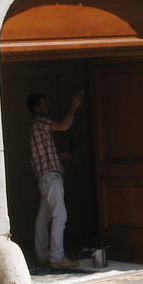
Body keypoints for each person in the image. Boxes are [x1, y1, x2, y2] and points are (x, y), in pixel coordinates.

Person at [27, 90, 84, 270]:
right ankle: (57, 257)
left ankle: (42, 255)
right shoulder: (40, 122)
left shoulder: (35, 126)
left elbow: (43, 151)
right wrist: (73, 106)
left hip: (45, 178)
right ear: (37, 108)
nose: (48, 106)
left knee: (43, 218)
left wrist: (58, 156)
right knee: (59, 215)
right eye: (45, 104)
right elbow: (64, 125)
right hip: (51, 178)